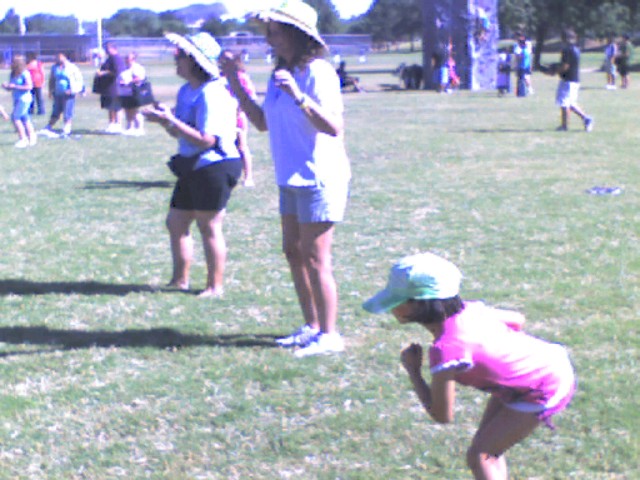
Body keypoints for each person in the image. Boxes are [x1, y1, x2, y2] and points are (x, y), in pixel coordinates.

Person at [362, 252, 576, 480]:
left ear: (417, 304)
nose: (391, 308)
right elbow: (517, 319)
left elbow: (442, 415)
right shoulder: (470, 310)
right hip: (546, 363)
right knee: (488, 451)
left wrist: (414, 371)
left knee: (481, 455)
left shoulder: (447, 351)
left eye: (396, 301)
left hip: (543, 385)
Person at [220, 0, 351, 357]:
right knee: (293, 252)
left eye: (275, 32)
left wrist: (299, 97)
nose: (269, 39)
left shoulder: (319, 73)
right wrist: (234, 80)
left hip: (319, 176)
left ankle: (330, 334)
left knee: (315, 257)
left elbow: (333, 127)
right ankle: (311, 327)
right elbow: (262, 122)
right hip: (289, 175)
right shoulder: (279, 73)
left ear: (295, 34)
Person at [142, 32, 242, 298]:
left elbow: (207, 139)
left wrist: (172, 121)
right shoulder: (187, 91)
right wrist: (164, 121)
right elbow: (181, 134)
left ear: (195, 60)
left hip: (215, 165)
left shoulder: (212, 93)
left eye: (181, 55)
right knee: (176, 222)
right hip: (192, 164)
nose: (176, 59)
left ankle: (214, 286)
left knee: (208, 226)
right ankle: (179, 280)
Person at [221, 50, 257, 186]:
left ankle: (248, 177)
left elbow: (251, 97)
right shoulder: (218, 77)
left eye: (228, 59)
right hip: (222, 116)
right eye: (222, 59)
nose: (224, 62)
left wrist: (239, 110)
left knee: (241, 146)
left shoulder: (241, 76)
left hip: (237, 116)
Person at [39, 52, 84, 139]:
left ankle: (66, 130)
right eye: (57, 57)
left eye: (60, 57)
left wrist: (72, 90)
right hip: (57, 93)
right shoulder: (55, 67)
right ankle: (48, 127)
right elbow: (52, 80)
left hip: (68, 94)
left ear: (65, 57)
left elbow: (79, 80)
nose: (58, 58)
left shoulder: (72, 68)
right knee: (55, 111)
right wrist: (50, 91)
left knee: (67, 112)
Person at [556, 29, 593, 132]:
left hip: (567, 79)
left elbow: (565, 66)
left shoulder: (566, 50)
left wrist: (556, 71)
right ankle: (586, 119)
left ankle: (564, 126)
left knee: (564, 103)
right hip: (575, 79)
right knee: (571, 103)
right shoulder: (576, 49)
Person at [1, 55, 36, 148]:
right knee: (25, 118)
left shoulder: (25, 73)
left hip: (24, 99)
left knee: (15, 117)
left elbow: (29, 86)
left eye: (14, 62)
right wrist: (6, 86)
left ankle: (23, 139)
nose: (12, 64)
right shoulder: (12, 74)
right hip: (16, 98)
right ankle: (32, 137)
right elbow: (11, 87)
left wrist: (15, 87)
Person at [96, 42, 126, 133]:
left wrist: (103, 73)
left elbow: (117, 71)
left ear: (113, 48)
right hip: (108, 87)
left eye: (108, 49)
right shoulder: (110, 58)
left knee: (116, 107)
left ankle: (118, 125)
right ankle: (111, 125)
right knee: (110, 107)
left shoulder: (116, 58)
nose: (106, 50)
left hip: (115, 87)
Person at [118, 52, 147, 136]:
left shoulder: (137, 68)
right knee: (128, 110)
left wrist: (128, 82)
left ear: (133, 59)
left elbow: (139, 79)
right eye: (126, 58)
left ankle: (140, 128)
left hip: (135, 91)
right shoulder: (125, 68)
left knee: (135, 110)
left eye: (128, 58)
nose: (126, 60)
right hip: (125, 92)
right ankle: (130, 127)